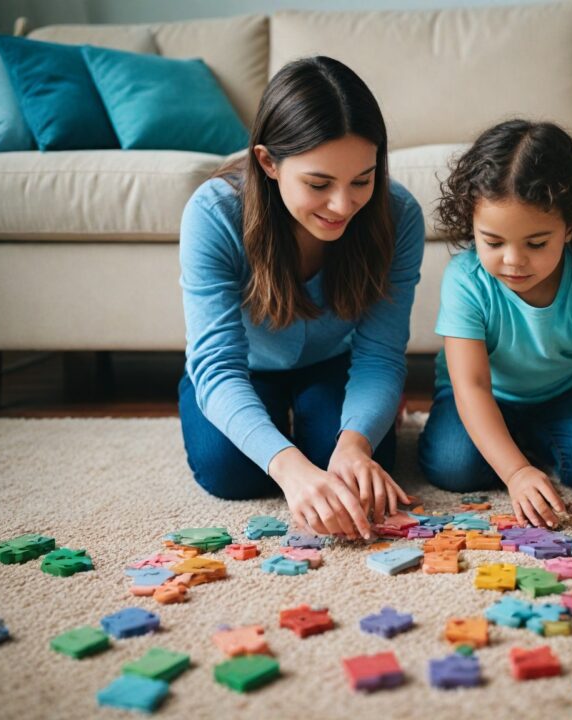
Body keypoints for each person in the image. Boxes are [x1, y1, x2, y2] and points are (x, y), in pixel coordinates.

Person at [179, 56, 424, 540]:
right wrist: (290, 469)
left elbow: (379, 355)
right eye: (319, 184)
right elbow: (218, 365)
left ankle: (341, 428)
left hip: (334, 362)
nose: (342, 205)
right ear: (268, 162)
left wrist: (355, 444)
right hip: (241, 367)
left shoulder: (397, 215)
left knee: (358, 467)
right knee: (232, 473)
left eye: (362, 180)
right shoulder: (213, 212)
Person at [418, 119, 572, 537]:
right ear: (471, 223)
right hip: (482, 394)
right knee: (451, 466)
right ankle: (522, 448)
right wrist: (516, 472)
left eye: (536, 244)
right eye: (493, 242)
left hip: (564, 393)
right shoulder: (465, 279)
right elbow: (471, 386)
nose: (513, 261)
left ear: (570, 227)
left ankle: (534, 438)